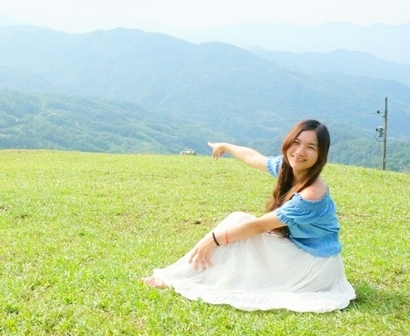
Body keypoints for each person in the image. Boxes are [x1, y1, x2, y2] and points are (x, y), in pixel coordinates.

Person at [143, 119, 355, 312]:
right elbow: (253, 157)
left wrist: (212, 239)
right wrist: (225, 146)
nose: (300, 151)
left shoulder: (311, 195)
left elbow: (259, 226)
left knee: (240, 224)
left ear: (320, 155)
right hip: (300, 250)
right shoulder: (287, 169)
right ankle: (181, 275)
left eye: (310, 147)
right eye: (296, 143)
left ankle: (178, 277)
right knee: (239, 225)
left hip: (315, 266)